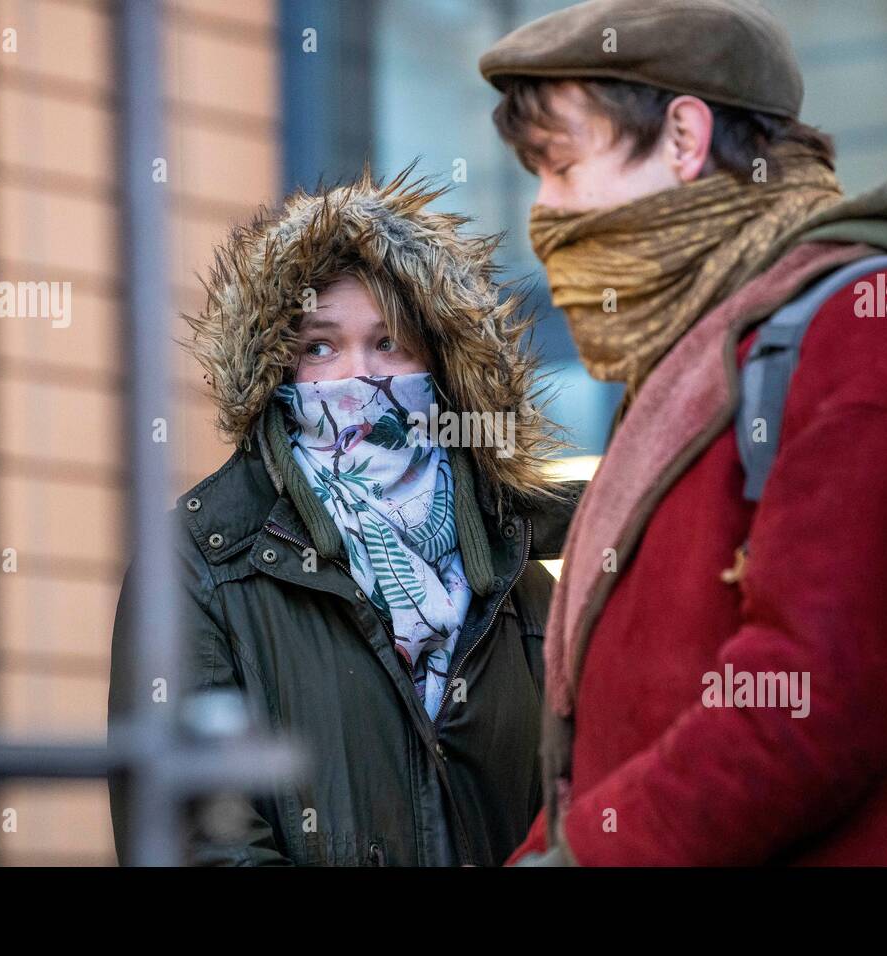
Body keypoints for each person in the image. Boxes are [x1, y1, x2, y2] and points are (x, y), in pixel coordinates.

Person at [479, 0, 887, 864]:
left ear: (683, 138)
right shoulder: (706, 353)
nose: (543, 213)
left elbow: (814, 699)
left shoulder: (880, 332)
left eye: (559, 166)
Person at [107, 166, 579, 866]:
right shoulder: (201, 559)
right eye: (320, 347)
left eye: (390, 343)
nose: (360, 378)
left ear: (443, 367)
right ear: (278, 372)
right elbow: (200, 843)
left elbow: (577, 811)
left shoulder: (514, 570)